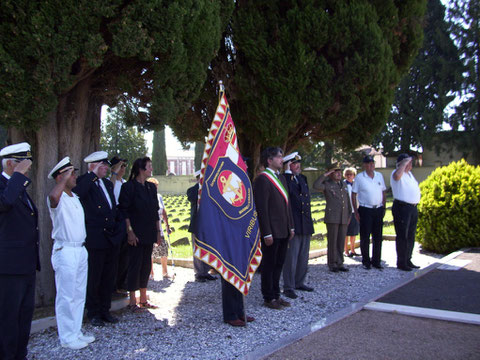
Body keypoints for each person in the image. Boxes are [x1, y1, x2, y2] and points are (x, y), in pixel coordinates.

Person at [47, 157, 95, 349]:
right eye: (71, 173)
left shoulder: (74, 197)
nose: (75, 177)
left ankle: (75, 332)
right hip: (65, 250)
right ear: (61, 176)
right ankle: (66, 337)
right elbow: (53, 198)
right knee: (66, 296)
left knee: (78, 294)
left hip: (80, 249)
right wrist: (62, 180)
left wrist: (67, 179)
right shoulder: (56, 197)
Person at [73, 151, 125, 326]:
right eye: (103, 166)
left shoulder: (106, 184)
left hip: (110, 237)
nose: (106, 169)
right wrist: (92, 175)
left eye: (106, 166)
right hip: (95, 238)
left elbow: (113, 208)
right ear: (93, 166)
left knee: (108, 276)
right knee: (94, 277)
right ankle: (93, 312)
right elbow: (78, 194)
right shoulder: (84, 181)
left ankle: (105, 310)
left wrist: (119, 229)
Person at [0, 142, 39, 360]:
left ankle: (19, 355)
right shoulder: (7, 185)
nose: (27, 168)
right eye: (23, 163)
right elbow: (4, 203)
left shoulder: (19, 188)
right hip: (8, 266)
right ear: (9, 163)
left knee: (23, 317)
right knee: (8, 318)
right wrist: (17, 176)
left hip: (25, 264)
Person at [119, 157, 163, 312]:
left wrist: (158, 233)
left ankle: (143, 299)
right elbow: (124, 211)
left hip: (149, 232)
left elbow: (155, 212)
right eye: (149, 166)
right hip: (135, 233)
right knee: (134, 265)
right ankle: (132, 301)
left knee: (146, 265)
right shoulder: (129, 187)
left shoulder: (151, 187)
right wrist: (130, 232)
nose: (151, 169)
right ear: (141, 169)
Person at [254, 147, 294, 310]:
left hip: (283, 229)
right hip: (272, 231)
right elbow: (262, 209)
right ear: (269, 160)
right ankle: (268, 297)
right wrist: (267, 232)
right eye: (278, 157)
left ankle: (277, 294)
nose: (281, 160)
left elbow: (287, 205)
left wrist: (291, 226)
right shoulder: (262, 179)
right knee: (269, 265)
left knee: (279, 264)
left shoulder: (281, 178)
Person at [281, 152, 314, 299]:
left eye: (298, 163)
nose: (298, 166)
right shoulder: (285, 179)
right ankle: (288, 286)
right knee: (291, 257)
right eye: (294, 164)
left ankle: (299, 281)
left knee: (303, 255)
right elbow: (287, 193)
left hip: (305, 222)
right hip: (293, 222)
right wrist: (287, 173)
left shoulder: (302, 179)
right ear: (288, 165)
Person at [313, 163, 352, 272]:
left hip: (343, 217)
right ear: (331, 173)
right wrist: (325, 174)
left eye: (340, 171)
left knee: (340, 241)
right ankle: (332, 263)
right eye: (336, 171)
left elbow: (347, 201)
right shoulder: (327, 184)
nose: (339, 173)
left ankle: (340, 262)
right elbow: (316, 185)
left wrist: (349, 214)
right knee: (333, 241)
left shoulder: (343, 184)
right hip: (332, 217)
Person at [351, 155, 387, 270]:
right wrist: (356, 211)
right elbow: (354, 194)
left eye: (372, 163)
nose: (370, 165)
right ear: (364, 165)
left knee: (378, 236)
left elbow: (383, 191)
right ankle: (366, 261)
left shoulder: (379, 176)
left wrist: (384, 206)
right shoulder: (360, 177)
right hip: (365, 209)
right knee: (365, 236)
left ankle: (376, 260)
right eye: (368, 163)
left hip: (378, 208)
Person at [391, 154, 421, 271]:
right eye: (407, 163)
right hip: (402, 207)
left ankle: (408, 259)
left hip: (412, 208)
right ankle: (401, 262)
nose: (410, 165)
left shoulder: (409, 174)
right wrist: (403, 163)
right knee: (403, 235)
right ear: (401, 164)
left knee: (410, 235)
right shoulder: (397, 173)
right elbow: (397, 176)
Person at [187, 170, 216, 282]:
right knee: (197, 249)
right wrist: (199, 185)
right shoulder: (192, 190)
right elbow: (192, 196)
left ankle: (205, 271)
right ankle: (199, 273)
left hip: (208, 225)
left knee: (207, 248)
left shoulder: (209, 188)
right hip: (197, 225)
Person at [109, 156, 129, 292]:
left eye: (124, 167)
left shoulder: (125, 183)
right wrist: (114, 174)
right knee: (114, 254)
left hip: (124, 216)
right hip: (114, 217)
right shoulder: (109, 182)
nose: (123, 169)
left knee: (125, 254)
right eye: (120, 166)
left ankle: (121, 282)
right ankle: (113, 284)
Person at [147, 177, 172, 280]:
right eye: (154, 186)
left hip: (160, 228)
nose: (156, 188)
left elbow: (163, 211)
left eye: (156, 186)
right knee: (149, 252)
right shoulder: (146, 197)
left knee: (164, 250)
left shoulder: (159, 196)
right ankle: (150, 273)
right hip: (149, 229)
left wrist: (167, 225)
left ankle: (165, 272)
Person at [343, 167, 359, 257]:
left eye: (351, 174)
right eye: (347, 174)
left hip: (355, 210)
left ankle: (353, 249)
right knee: (346, 232)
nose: (349, 176)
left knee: (354, 232)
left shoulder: (356, 184)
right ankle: (346, 250)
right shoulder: (343, 185)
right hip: (346, 211)